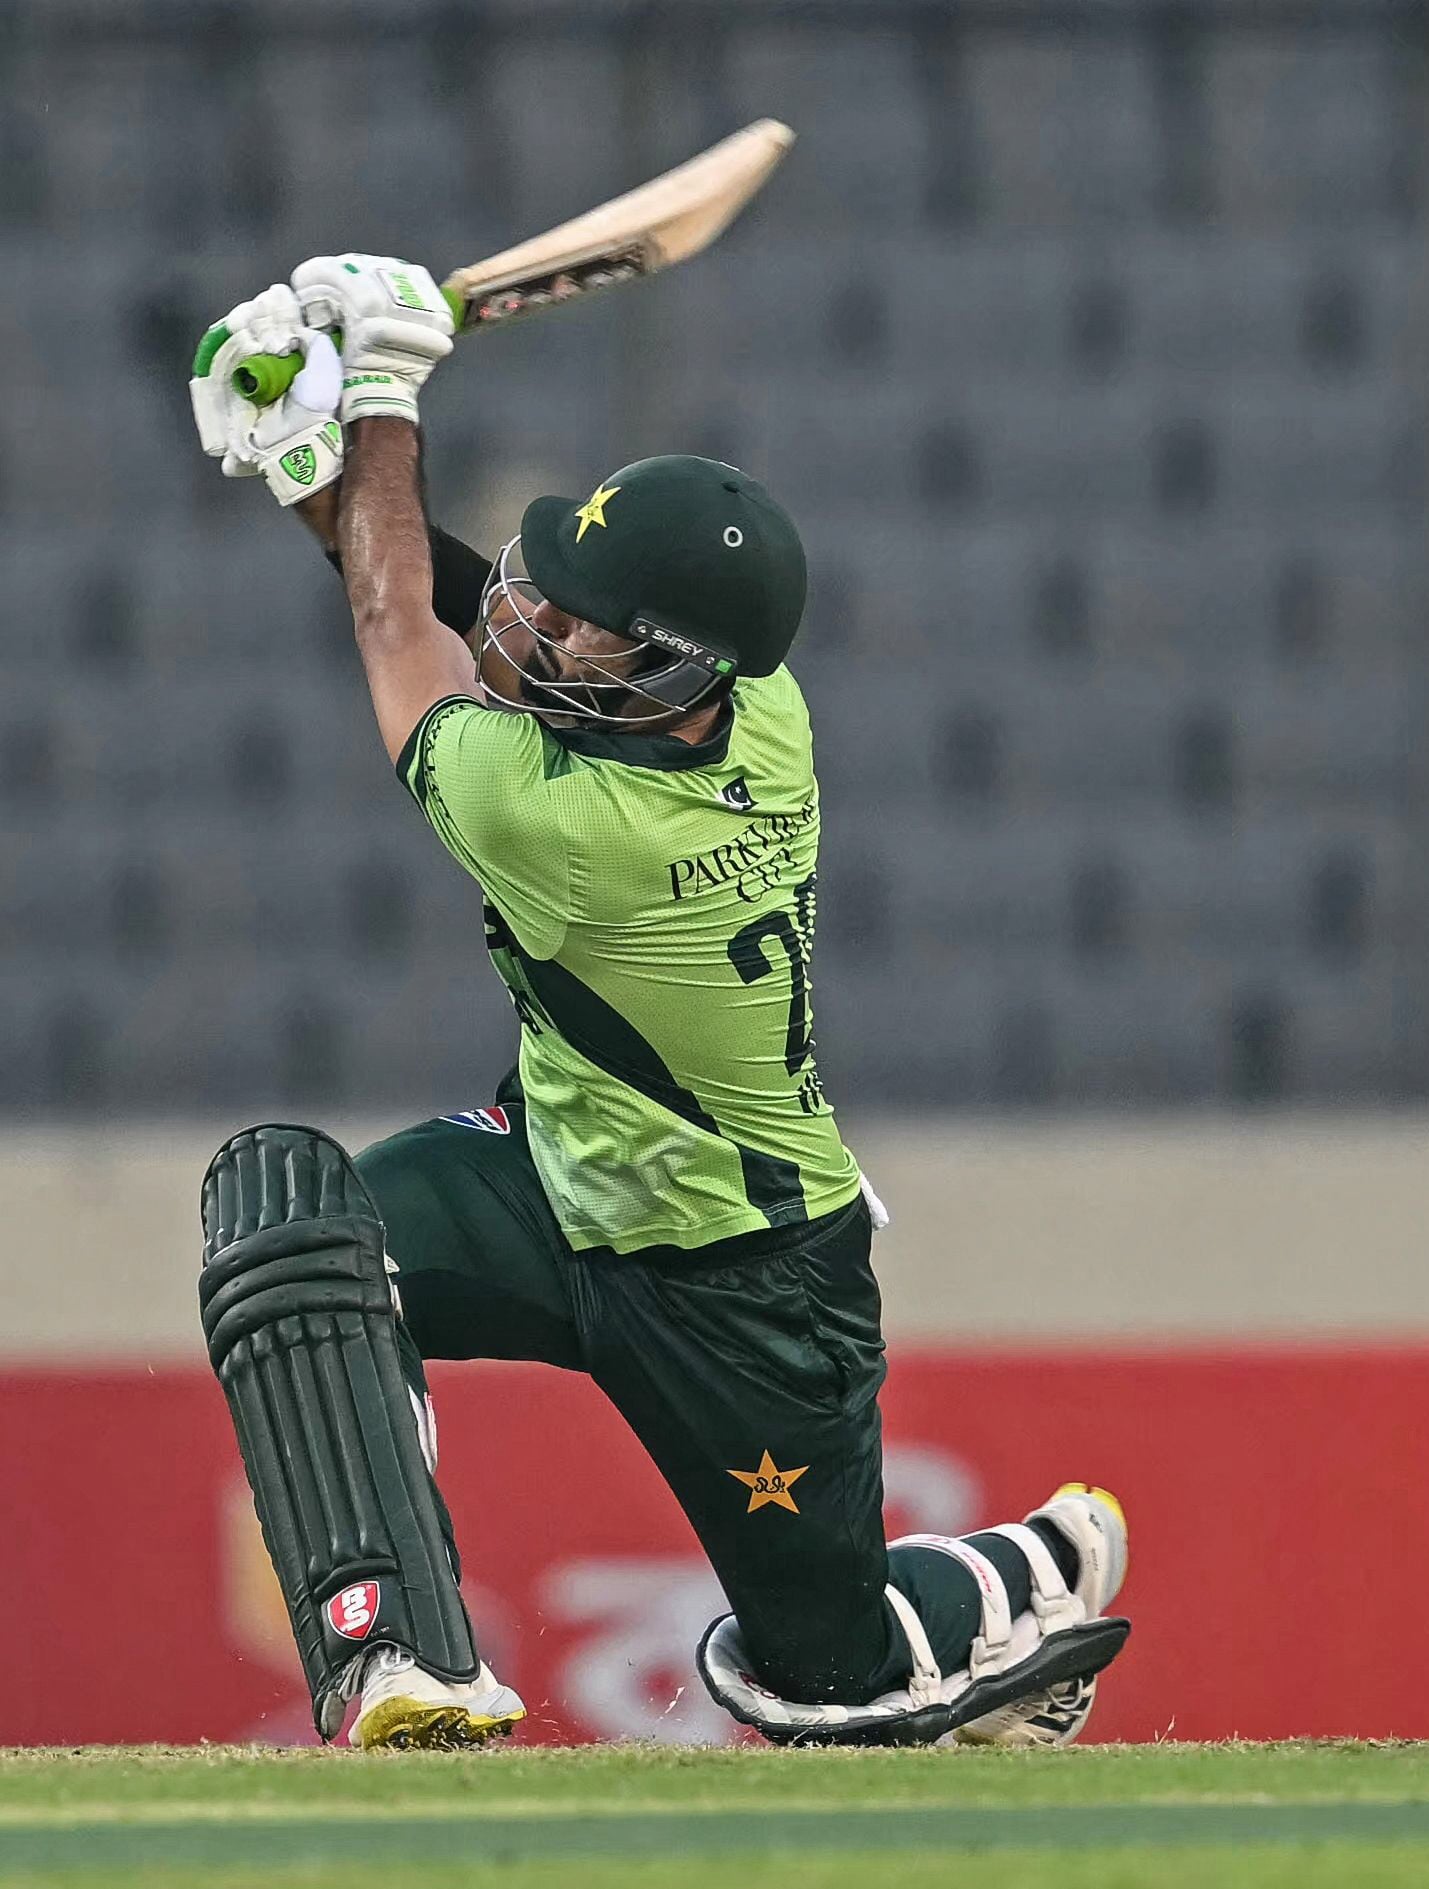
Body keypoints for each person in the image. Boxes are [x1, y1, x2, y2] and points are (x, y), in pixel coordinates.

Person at [186, 258, 1131, 1749]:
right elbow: (433, 605)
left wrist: (374, 402)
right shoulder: (760, 701)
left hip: (743, 1278)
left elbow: (397, 628)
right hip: (551, 1178)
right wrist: (318, 465)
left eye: (583, 624)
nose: (540, 622)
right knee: (294, 1232)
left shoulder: (572, 834)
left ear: (666, 671)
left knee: (829, 1684)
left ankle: (1033, 1569)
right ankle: (402, 1659)